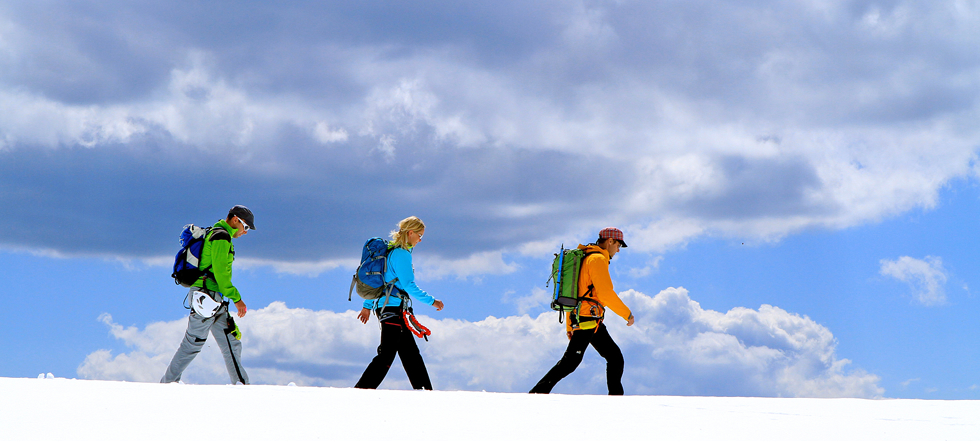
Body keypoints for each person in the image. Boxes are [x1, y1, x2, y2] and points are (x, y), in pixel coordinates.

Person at [530, 227, 635, 395]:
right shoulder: (597, 259)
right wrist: (627, 314)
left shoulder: (586, 258)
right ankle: (536, 393)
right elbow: (605, 293)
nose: (618, 250)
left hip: (587, 318)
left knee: (614, 358)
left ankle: (616, 398)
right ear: (610, 241)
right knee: (570, 363)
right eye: (618, 245)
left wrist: (570, 325)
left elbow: (575, 294)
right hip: (588, 318)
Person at [161, 205, 256, 385]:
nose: (245, 232)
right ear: (236, 220)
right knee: (192, 344)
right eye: (247, 227)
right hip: (206, 297)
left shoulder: (217, 233)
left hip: (212, 299)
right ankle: (167, 385)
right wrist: (237, 298)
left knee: (231, 342)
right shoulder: (221, 237)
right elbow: (221, 274)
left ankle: (242, 387)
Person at [354, 216, 444, 390]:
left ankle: (424, 390)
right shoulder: (401, 254)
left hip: (390, 308)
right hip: (393, 309)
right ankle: (362, 389)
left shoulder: (392, 251)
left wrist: (367, 306)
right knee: (387, 354)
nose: (420, 240)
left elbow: (379, 283)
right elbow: (409, 285)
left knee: (410, 353)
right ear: (410, 233)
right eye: (419, 235)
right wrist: (432, 301)